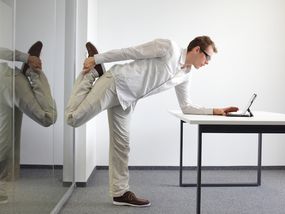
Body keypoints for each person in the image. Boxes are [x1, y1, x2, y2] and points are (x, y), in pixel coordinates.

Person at [65, 36, 239, 207]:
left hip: (128, 100)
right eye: (207, 57)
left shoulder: (186, 74)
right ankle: (94, 73)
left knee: (122, 145)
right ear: (196, 49)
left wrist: (214, 111)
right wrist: (96, 59)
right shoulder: (169, 48)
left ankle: (120, 193)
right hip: (116, 83)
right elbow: (130, 52)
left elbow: (186, 106)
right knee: (73, 119)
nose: (207, 62)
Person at [0, 41, 57, 204]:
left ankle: (33, 72)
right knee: (6, 142)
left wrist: (27, 58)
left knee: (48, 117)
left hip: (6, 81)